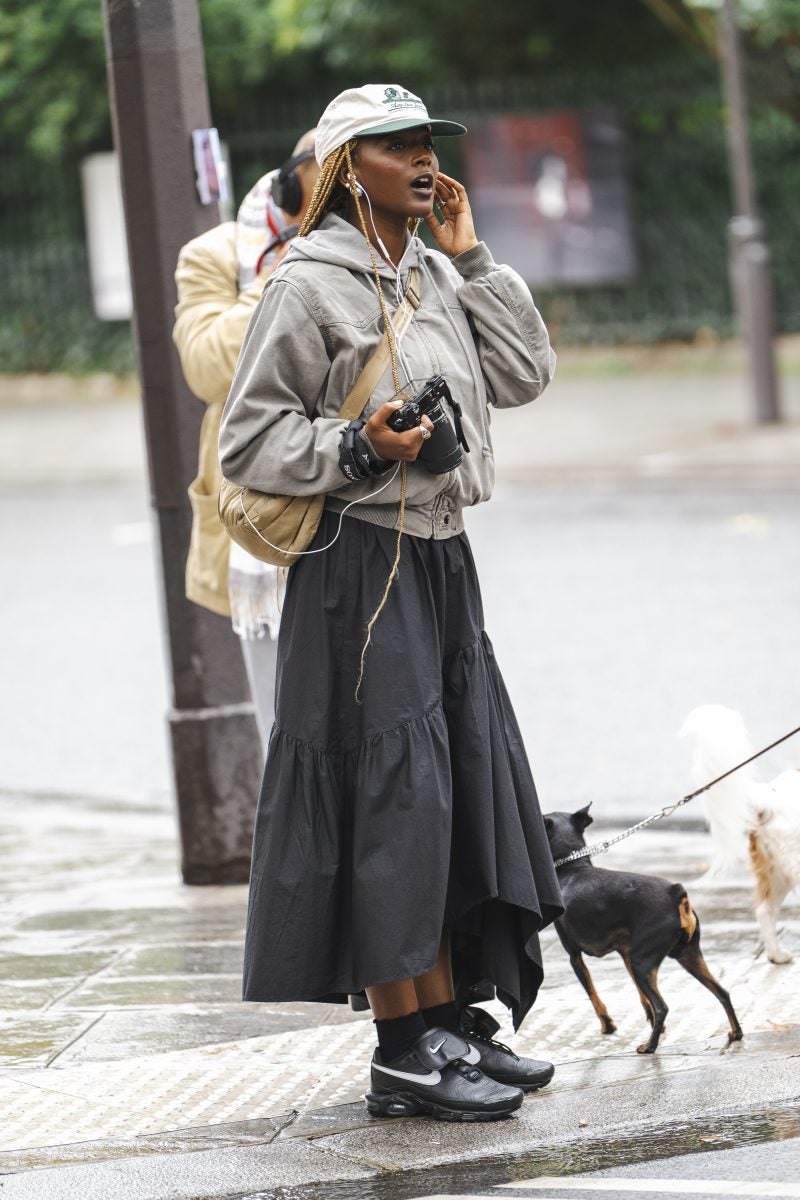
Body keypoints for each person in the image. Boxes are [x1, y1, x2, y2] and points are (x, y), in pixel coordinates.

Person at [220, 84, 563, 1122]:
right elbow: (247, 441)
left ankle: (450, 1018)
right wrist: (359, 446)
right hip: (357, 566)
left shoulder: (428, 268)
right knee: (390, 805)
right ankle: (403, 1047)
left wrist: (470, 257)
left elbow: (525, 374)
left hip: (443, 557)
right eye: (393, 147)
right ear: (341, 168)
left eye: (426, 144)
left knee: (449, 787)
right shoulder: (304, 286)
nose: (421, 160)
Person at [173, 131, 319, 744]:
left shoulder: (374, 250)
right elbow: (206, 367)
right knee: (285, 725)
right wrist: (286, 273)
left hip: (353, 503)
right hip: (261, 518)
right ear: (291, 187)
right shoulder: (216, 256)